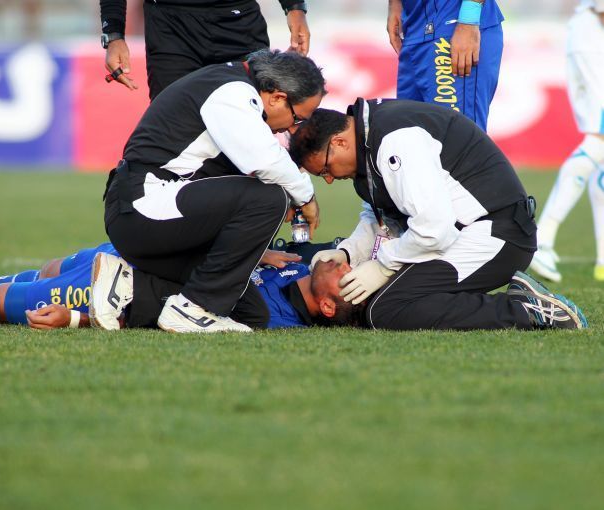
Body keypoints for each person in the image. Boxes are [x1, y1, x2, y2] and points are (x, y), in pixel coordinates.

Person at [287, 100, 587, 330]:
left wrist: (383, 265)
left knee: (385, 308)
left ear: (339, 142)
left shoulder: (394, 140)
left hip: (498, 235)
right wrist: (348, 252)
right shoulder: (372, 137)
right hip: (474, 230)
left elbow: (434, 229)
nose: (329, 179)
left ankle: (527, 310)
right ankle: (523, 300)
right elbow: (383, 217)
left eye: (324, 169)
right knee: (384, 299)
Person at [97, 49, 325, 334]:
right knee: (270, 198)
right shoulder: (233, 90)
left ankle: (125, 282)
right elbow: (265, 160)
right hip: (142, 209)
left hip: (150, 216)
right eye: (297, 118)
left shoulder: (230, 85)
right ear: (277, 97)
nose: (291, 129)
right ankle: (191, 309)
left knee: (251, 314)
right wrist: (307, 197)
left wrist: (249, 251)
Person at [0, 244, 362, 330]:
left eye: (348, 278)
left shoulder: (268, 318)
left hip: (125, 286)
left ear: (327, 306)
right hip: (130, 254)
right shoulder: (302, 264)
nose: (348, 265)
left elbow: (178, 318)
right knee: (52, 267)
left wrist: (81, 319)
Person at [530, 0, 604, 283]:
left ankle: (603, 260)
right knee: (599, 138)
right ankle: (542, 239)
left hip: (590, 32)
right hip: (595, 33)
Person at [100, 0, 310, 99]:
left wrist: (295, 7)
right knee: (174, 127)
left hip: (239, 20)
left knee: (250, 123)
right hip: (170, 26)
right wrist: (113, 34)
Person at [386, 0, 503, 130]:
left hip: (455, 25)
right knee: (409, 136)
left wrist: (469, 17)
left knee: (456, 136)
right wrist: (395, 4)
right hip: (413, 24)